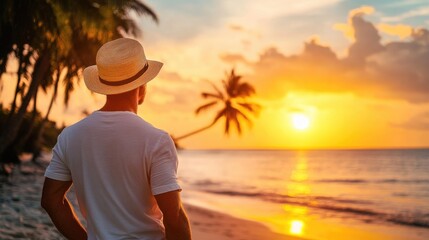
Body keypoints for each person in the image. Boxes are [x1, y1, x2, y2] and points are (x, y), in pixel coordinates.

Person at [41, 38, 192, 240]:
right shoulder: (156, 140)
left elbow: (50, 200)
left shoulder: (70, 136)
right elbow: (174, 218)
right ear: (143, 85)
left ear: (104, 84)